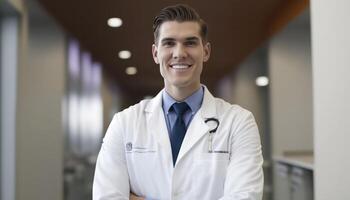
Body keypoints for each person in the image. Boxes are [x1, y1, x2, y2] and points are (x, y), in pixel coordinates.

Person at [93, 4, 263, 200]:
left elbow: (245, 197)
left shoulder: (239, 123)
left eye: (190, 42)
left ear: (206, 52)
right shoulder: (124, 123)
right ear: (155, 53)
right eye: (169, 43)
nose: (179, 53)